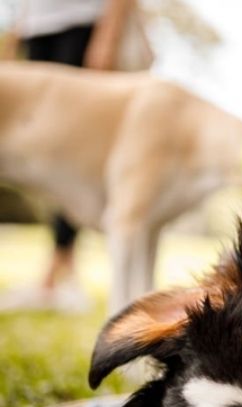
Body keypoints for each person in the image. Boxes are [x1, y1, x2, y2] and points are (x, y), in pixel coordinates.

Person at [2, 0, 148, 312]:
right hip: (37, 27)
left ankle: (60, 271)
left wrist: (107, 37)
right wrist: (16, 33)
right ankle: (55, 272)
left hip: (82, 23)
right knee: (43, 155)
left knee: (71, 154)